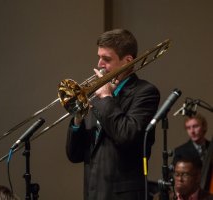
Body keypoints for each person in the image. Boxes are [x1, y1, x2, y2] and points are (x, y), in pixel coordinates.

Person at [65, 28, 160, 200]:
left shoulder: (145, 92)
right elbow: (75, 155)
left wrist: (107, 97)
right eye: (99, 57)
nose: (100, 64)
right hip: (92, 193)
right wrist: (77, 119)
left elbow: (126, 135)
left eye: (106, 59)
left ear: (127, 61)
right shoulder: (97, 97)